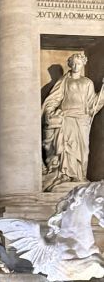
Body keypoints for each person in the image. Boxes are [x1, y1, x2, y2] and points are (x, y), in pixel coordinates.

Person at [41, 51, 104, 190]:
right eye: (74, 63)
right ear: (69, 64)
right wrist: (50, 112)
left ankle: (79, 175)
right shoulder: (64, 81)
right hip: (66, 118)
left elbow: (92, 104)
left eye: (79, 63)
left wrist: (103, 93)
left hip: (82, 119)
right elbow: (54, 99)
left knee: (82, 148)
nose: (76, 66)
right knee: (66, 147)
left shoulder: (87, 82)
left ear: (83, 64)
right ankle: (65, 174)